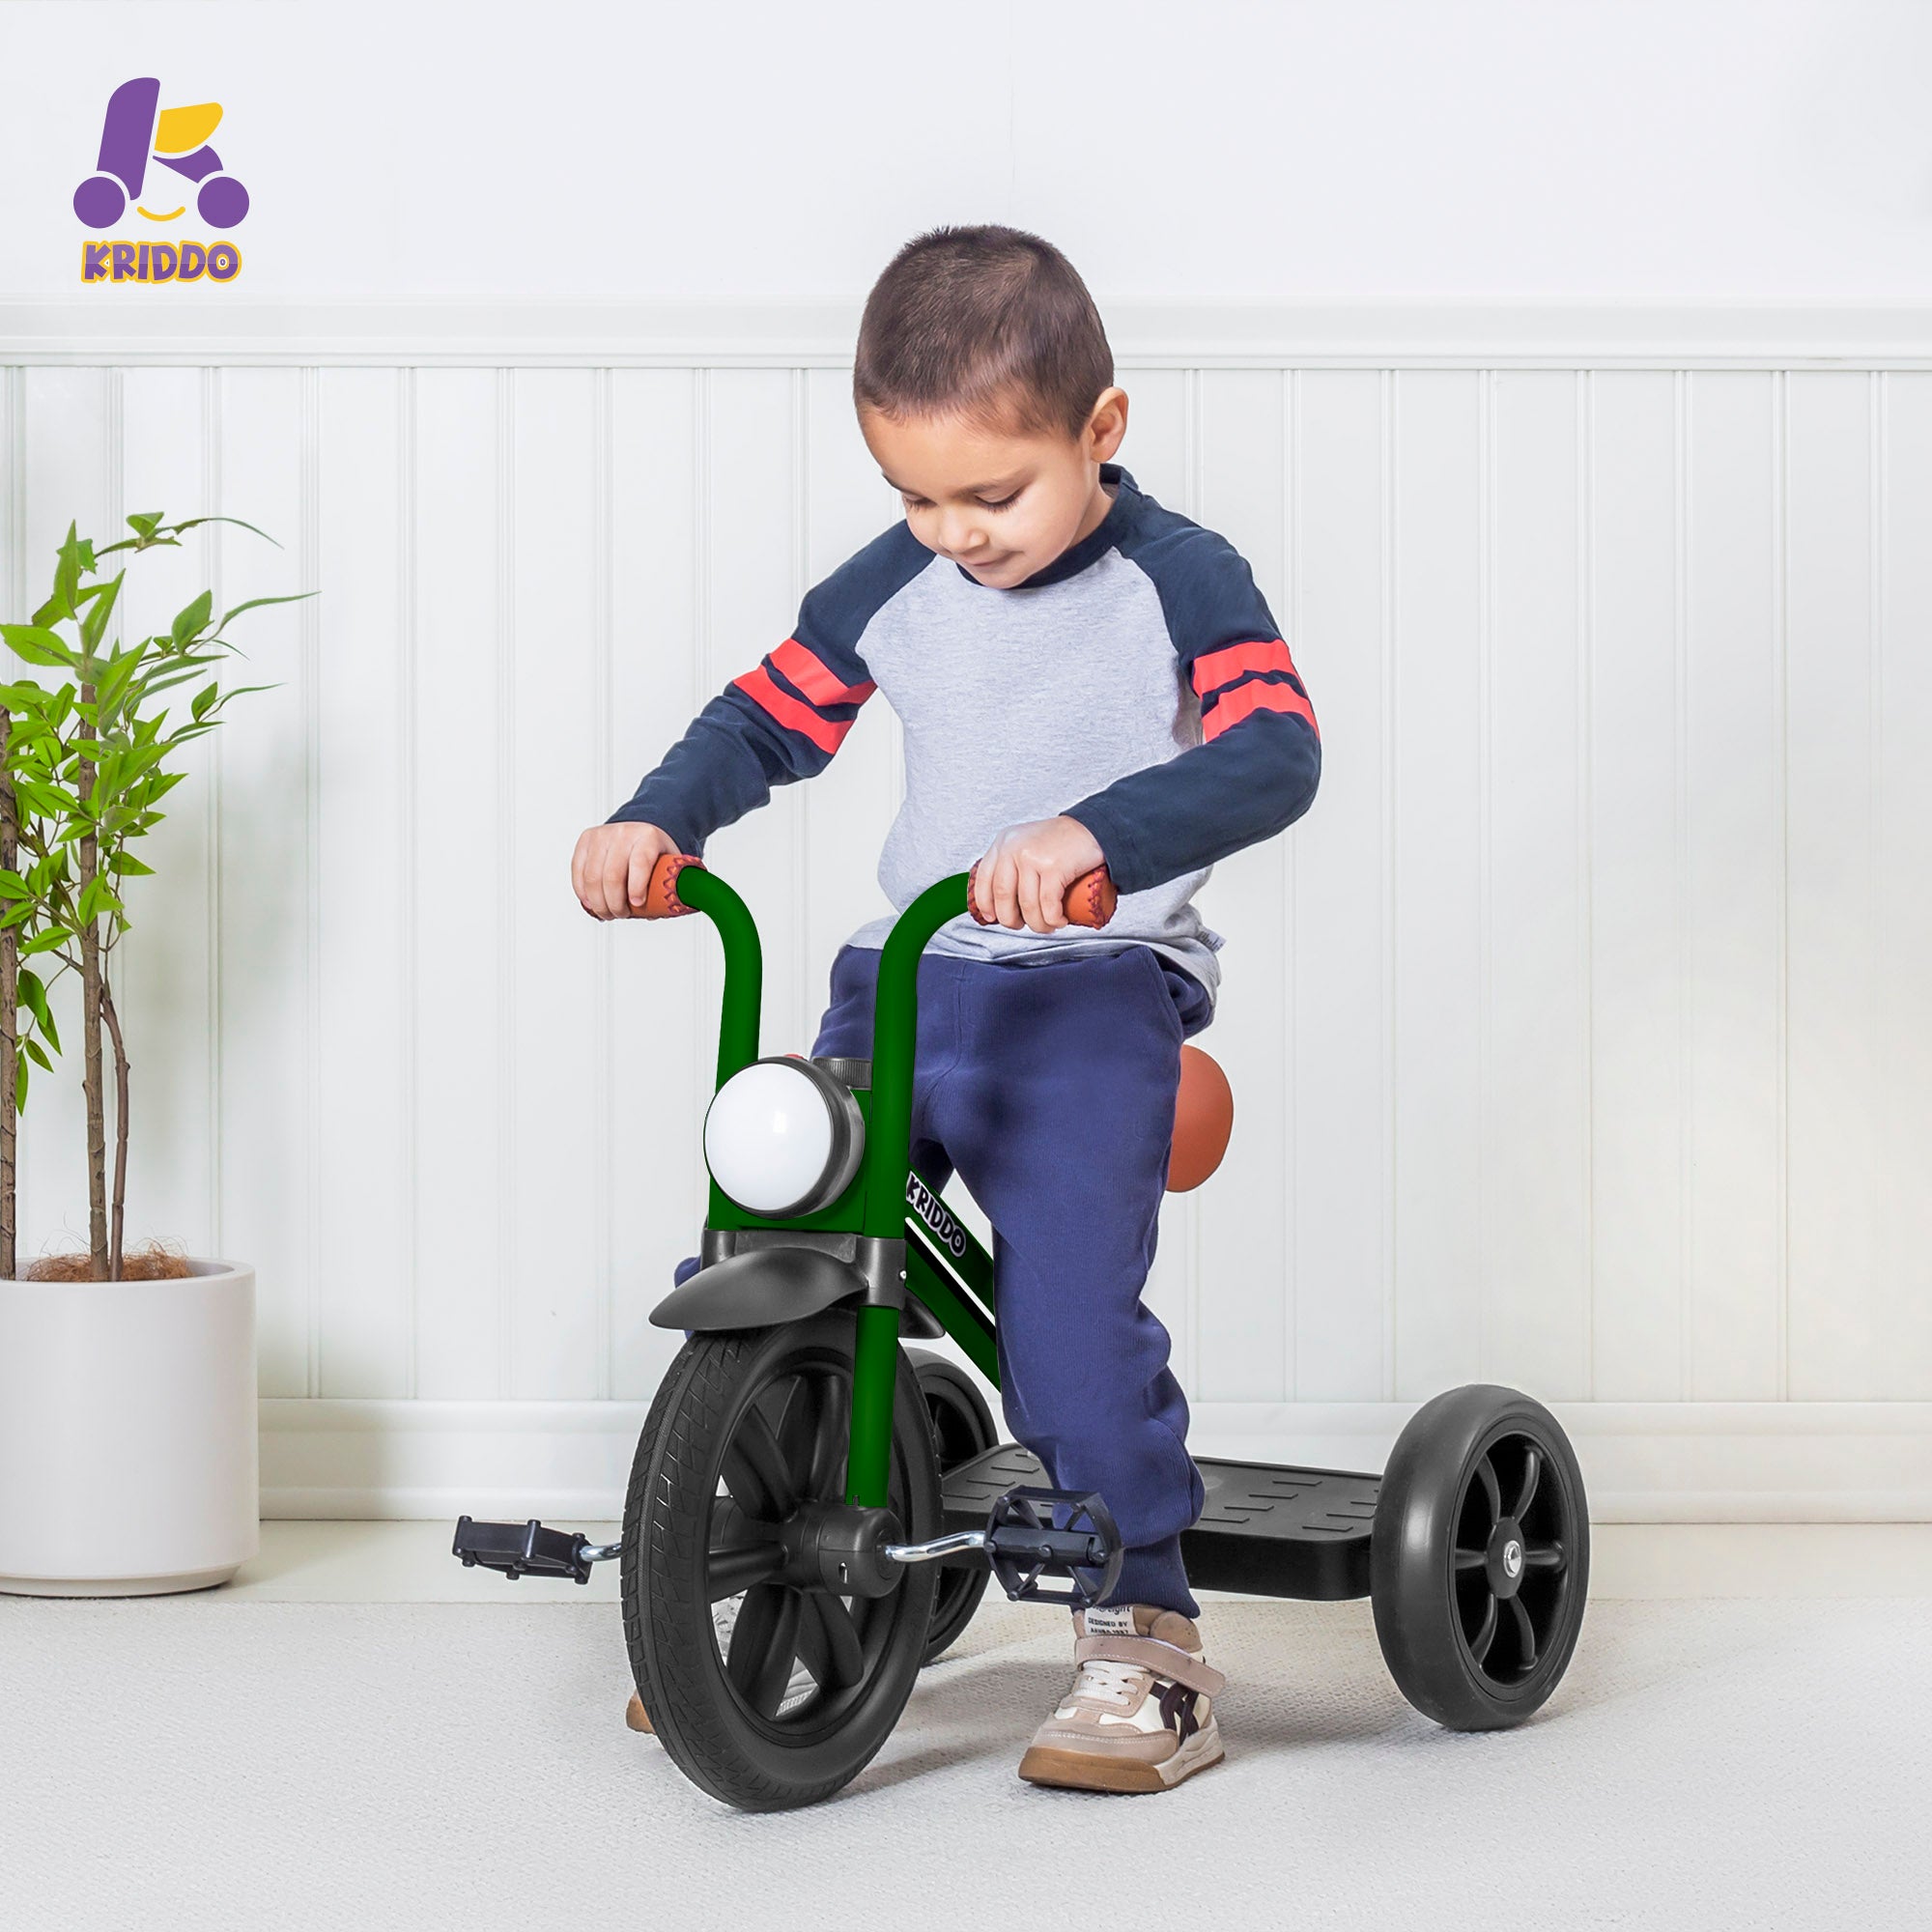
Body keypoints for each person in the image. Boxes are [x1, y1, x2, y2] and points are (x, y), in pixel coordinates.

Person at [573, 223, 1320, 1793]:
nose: (954, 533)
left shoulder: (1182, 580)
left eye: (994, 494)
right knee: (777, 1224)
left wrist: (1099, 839)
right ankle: (756, 1587)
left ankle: (1145, 1634)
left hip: (1094, 991)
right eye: (915, 494)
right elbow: (766, 717)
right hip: (909, 971)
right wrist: (661, 819)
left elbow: (1274, 753)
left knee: (1060, 1319)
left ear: (1100, 433)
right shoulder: (897, 578)